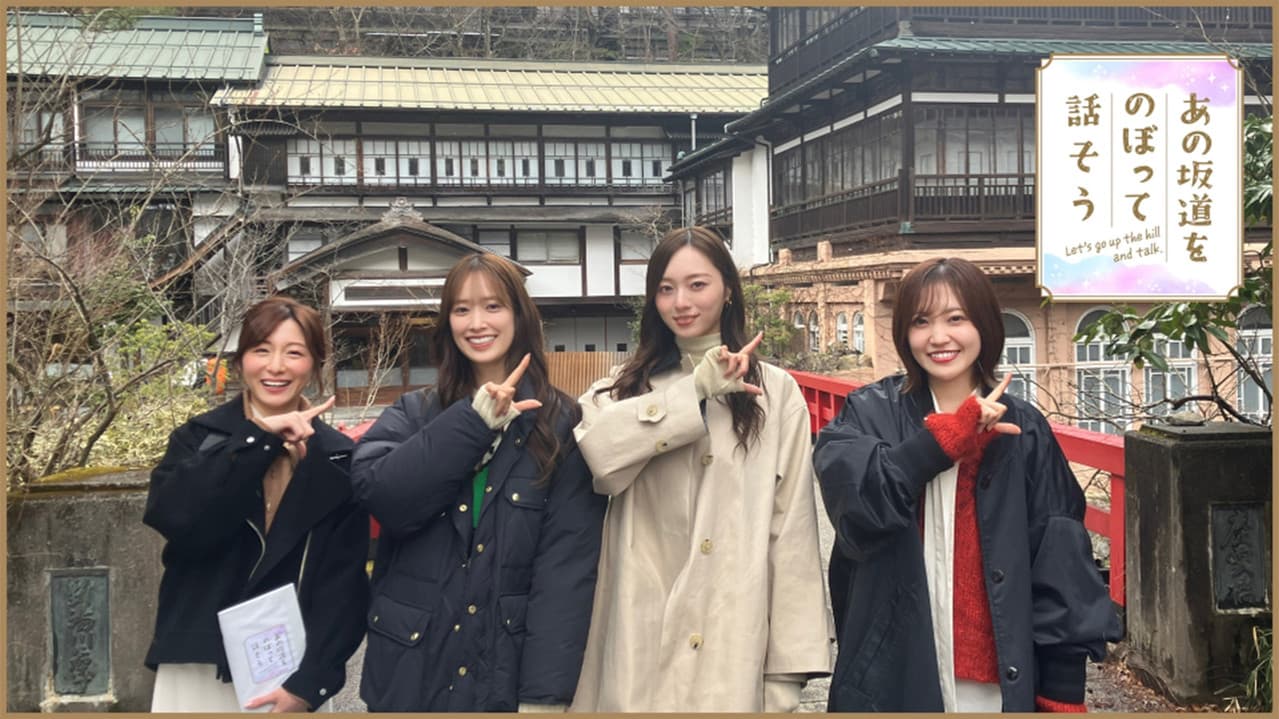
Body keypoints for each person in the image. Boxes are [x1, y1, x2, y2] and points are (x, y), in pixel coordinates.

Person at [812, 257, 1123, 712]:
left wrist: (1061, 690)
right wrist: (941, 443)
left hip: (993, 679)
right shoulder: (869, 413)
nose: (939, 337)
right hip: (891, 676)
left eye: (956, 318)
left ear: (984, 325)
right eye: (921, 322)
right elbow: (857, 513)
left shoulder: (1025, 430)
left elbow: (1059, 562)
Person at [570, 227, 834, 713]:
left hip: (732, 631)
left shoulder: (777, 393)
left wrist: (786, 671)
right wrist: (692, 391)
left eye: (697, 285)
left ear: (727, 288)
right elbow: (599, 458)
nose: (680, 302)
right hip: (638, 628)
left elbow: (791, 533)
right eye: (666, 288)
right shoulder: (624, 386)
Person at [350, 252, 606, 712]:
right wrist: (472, 422)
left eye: (493, 306)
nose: (477, 323)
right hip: (410, 671)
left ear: (519, 315)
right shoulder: (415, 413)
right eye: (461, 309)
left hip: (502, 674)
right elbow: (385, 499)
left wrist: (545, 695)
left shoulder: (561, 423)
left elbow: (566, 570)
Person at [143, 296, 369, 712]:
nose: (276, 366)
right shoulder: (200, 438)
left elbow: (344, 582)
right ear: (241, 360)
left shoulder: (338, 458)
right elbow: (176, 519)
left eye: (294, 353)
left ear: (315, 365)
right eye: (261, 350)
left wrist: (312, 681)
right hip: (199, 658)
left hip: (291, 669)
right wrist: (257, 441)